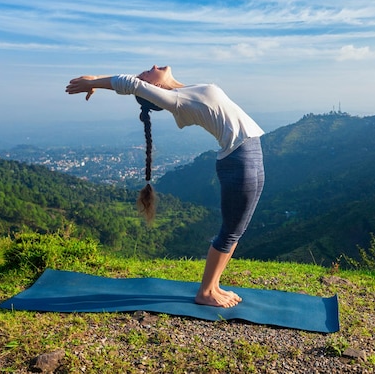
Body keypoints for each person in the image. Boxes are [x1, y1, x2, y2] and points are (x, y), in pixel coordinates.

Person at [65, 65, 265, 308]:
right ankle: (205, 291)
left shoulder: (185, 91)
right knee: (231, 231)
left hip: (248, 154)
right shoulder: (177, 100)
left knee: (236, 230)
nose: (150, 68)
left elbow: (137, 83)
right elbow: (132, 84)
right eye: (146, 74)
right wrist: (94, 81)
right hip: (239, 159)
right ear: (154, 88)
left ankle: (213, 286)